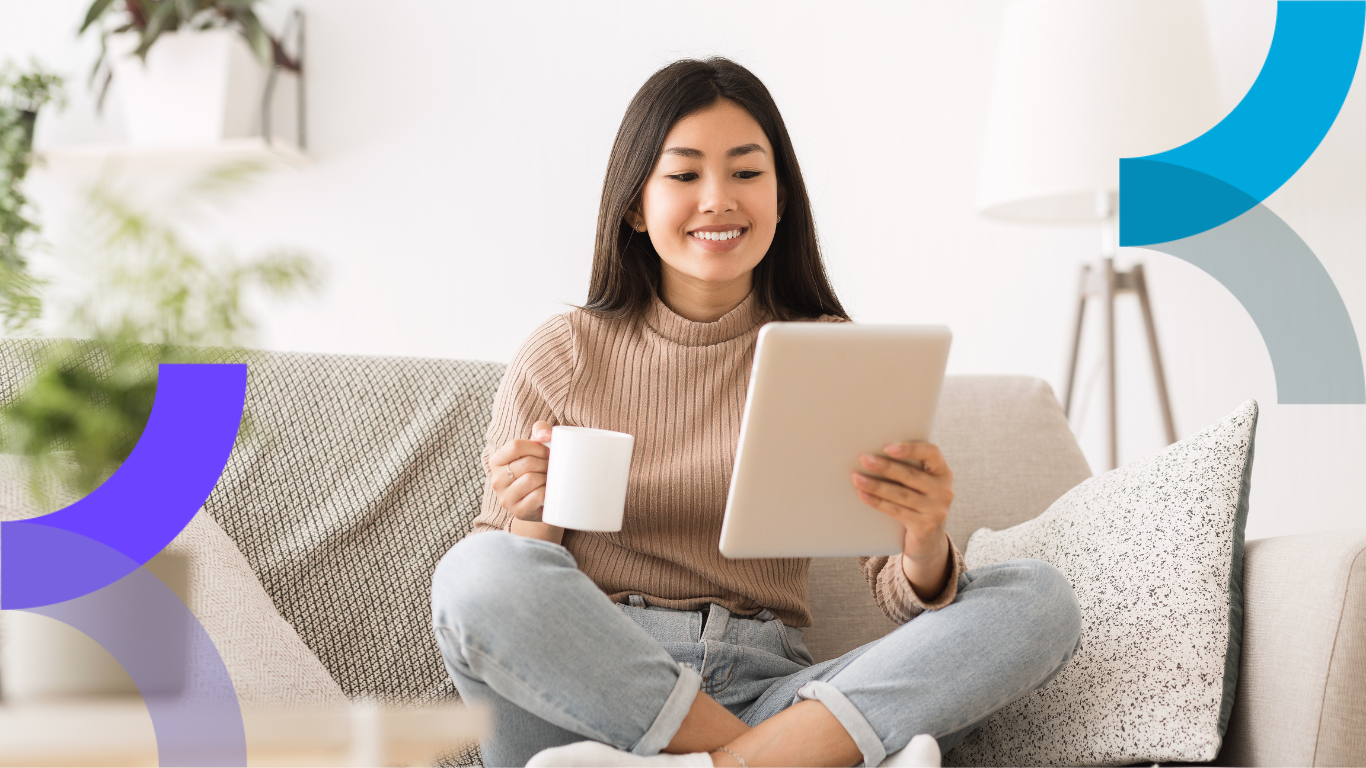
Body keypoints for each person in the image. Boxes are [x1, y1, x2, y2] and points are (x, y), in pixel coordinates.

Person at [430, 57, 1081, 768]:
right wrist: (533, 514)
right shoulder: (562, 353)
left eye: (745, 173)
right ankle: (776, 760)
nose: (718, 199)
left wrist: (923, 541)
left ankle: (740, 759)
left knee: (1039, 601)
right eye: (684, 175)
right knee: (474, 570)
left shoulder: (829, 354)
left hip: (774, 686)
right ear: (633, 206)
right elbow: (503, 597)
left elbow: (903, 594)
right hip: (594, 702)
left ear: (781, 200)